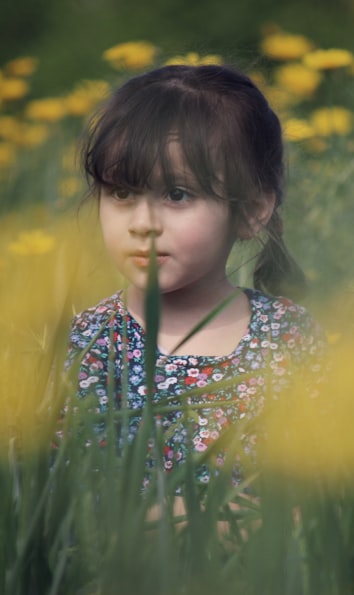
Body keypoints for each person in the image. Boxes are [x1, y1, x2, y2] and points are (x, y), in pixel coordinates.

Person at [65, 64, 325, 493]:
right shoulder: (91, 342)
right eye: (122, 193)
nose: (142, 223)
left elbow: (324, 489)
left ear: (251, 211)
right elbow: (70, 503)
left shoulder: (288, 337)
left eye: (177, 194)